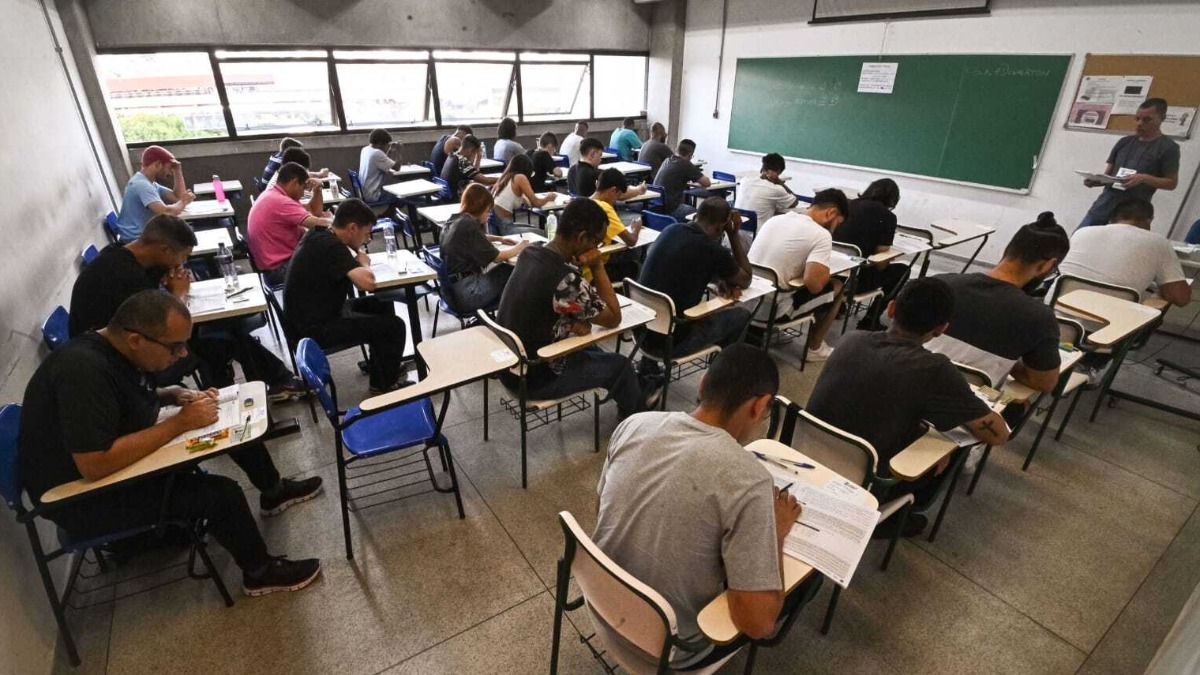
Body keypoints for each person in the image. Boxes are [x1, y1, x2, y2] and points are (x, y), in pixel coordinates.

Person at [20, 291, 322, 595]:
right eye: (174, 347)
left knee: (232, 430)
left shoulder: (116, 349)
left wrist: (171, 393)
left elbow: (124, 400)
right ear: (136, 340)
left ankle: (274, 491)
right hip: (84, 499)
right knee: (222, 494)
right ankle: (260, 573)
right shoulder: (83, 372)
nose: (182, 355)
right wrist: (180, 422)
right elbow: (95, 464)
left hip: (110, 468)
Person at [594, 344, 815, 670]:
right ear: (761, 406)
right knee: (806, 583)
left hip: (601, 603)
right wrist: (777, 534)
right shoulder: (750, 482)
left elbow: (603, 508)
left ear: (702, 385)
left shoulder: (635, 424)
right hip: (669, 647)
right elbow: (757, 624)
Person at [806, 278, 1010, 531]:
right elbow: (998, 436)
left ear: (891, 309)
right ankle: (894, 516)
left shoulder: (851, 338)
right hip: (866, 481)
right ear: (941, 328)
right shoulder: (935, 370)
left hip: (806, 456)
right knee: (952, 448)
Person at [68, 214, 309, 401]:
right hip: (119, 363)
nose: (181, 263)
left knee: (227, 331)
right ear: (164, 249)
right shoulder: (124, 277)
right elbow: (162, 326)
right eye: (181, 257)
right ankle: (228, 401)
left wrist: (165, 277)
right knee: (223, 343)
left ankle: (277, 381)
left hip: (124, 348)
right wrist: (178, 293)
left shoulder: (122, 254)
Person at [496, 199, 652, 418]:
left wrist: (575, 321)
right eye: (597, 242)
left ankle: (634, 394)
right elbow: (614, 317)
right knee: (621, 366)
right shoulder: (566, 280)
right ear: (581, 237)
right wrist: (597, 266)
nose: (598, 248)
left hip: (512, 367)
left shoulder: (531, 252)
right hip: (537, 378)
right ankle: (635, 419)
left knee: (595, 351)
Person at [926, 213, 1069, 418]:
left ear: (1007, 250)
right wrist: (1009, 365)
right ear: (1046, 266)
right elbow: (1043, 382)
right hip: (964, 414)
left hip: (904, 390)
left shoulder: (940, 284)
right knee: (1020, 406)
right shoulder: (1038, 317)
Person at [284, 199, 409, 395]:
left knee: (380, 304)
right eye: (366, 234)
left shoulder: (320, 234)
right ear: (352, 228)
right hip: (314, 328)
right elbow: (367, 283)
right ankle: (382, 386)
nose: (366, 240)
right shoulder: (333, 247)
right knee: (394, 326)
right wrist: (363, 263)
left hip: (312, 314)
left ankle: (382, 366)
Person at [638, 197, 753, 368]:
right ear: (722, 226)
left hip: (641, 330)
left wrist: (721, 278)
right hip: (672, 341)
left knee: (664, 291)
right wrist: (733, 234)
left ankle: (648, 369)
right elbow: (746, 279)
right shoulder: (712, 250)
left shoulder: (671, 229)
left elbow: (687, 266)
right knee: (741, 315)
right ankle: (717, 378)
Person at [748, 189, 849, 361]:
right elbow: (814, 285)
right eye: (837, 223)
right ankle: (815, 348)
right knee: (838, 285)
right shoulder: (821, 235)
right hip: (772, 312)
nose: (836, 228)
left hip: (747, 301)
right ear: (831, 213)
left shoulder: (776, 219)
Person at [1060, 198, 1191, 307]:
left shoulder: (1082, 232)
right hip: (1109, 327)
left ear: (1111, 219)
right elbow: (1180, 298)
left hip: (1055, 314)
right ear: (1149, 221)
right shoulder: (1159, 243)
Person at [1079, 98, 1180, 228]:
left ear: (1162, 118)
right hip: (1104, 206)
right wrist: (1096, 181)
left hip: (1133, 215)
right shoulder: (1124, 142)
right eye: (1137, 118)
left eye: (1147, 120)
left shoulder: (1168, 148)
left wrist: (1144, 178)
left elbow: (1171, 183)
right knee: (1079, 240)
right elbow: (1108, 175)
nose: (1139, 123)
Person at [834, 178, 909, 330]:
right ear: (893, 199)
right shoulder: (888, 217)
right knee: (902, 271)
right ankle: (870, 319)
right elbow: (880, 264)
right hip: (854, 281)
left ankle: (837, 306)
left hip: (831, 272)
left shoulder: (848, 205)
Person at [441, 184, 527, 315]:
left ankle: (507, 312)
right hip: (468, 295)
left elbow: (474, 238)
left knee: (505, 275)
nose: (489, 214)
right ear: (478, 208)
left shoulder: (454, 221)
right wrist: (520, 247)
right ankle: (512, 315)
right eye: (487, 210)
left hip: (450, 294)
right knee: (510, 270)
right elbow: (498, 257)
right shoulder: (469, 226)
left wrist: (499, 239)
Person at [247, 162, 334, 286]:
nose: (304, 193)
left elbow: (314, 211)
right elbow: (317, 223)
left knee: (324, 251)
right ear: (294, 183)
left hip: (272, 265)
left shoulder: (273, 194)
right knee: (334, 262)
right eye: (303, 187)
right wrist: (334, 220)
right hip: (279, 269)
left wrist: (318, 189)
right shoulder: (281, 201)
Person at [115, 145, 195, 241]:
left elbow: (177, 196)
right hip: (137, 241)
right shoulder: (142, 185)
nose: (170, 173)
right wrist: (184, 202)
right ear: (157, 164)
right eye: (169, 168)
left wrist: (177, 171)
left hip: (144, 237)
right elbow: (166, 213)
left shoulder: (150, 183)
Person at [590, 168, 645, 282]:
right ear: (613, 191)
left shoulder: (582, 202)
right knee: (636, 264)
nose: (616, 201)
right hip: (595, 270)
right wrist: (636, 229)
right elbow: (631, 241)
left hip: (582, 266)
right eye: (617, 196)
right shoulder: (605, 209)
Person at [491, 154, 557, 236]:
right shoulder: (520, 177)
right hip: (505, 226)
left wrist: (523, 198)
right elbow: (536, 203)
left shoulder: (507, 177)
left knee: (536, 229)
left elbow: (511, 195)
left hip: (496, 224)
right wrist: (549, 197)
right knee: (545, 234)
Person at [733, 152, 800, 227]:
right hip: (758, 235)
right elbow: (795, 202)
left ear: (762, 169)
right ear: (777, 172)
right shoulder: (776, 189)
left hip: (736, 230)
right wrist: (780, 182)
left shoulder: (745, 181)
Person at [569, 138, 646, 200]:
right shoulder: (594, 175)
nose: (601, 159)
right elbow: (619, 194)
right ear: (592, 154)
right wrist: (638, 190)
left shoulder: (571, 170)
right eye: (600, 155)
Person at [654, 139, 710, 221]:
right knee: (697, 215)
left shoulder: (667, 160)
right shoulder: (686, 164)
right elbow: (707, 183)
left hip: (657, 205)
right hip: (671, 209)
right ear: (690, 155)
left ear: (677, 150)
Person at [259, 137, 329, 187]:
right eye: (299, 151)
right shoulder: (284, 162)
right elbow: (300, 174)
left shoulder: (275, 156)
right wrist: (320, 174)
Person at [358, 128, 403, 202]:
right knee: (400, 196)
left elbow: (383, 161)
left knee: (394, 194)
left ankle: (389, 212)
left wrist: (390, 150)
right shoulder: (377, 153)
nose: (386, 147)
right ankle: (390, 212)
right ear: (380, 143)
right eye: (386, 144)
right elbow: (397, 168)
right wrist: (399, 151)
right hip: (372, 195)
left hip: (363, 192)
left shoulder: (365, 149)